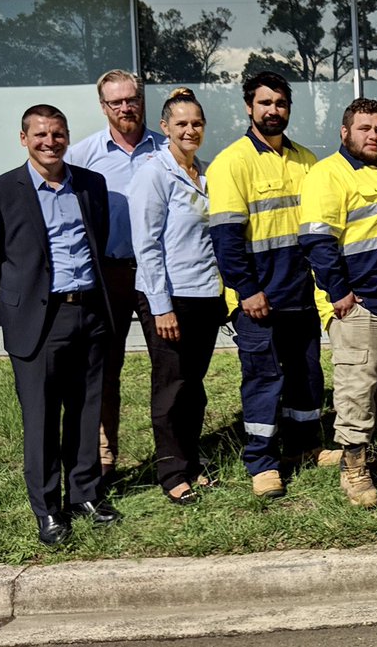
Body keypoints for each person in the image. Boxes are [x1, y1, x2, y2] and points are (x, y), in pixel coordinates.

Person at [0, 105, 121, 546]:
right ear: (24, 139)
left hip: (88, 312)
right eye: (40, 134)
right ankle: (48, 510)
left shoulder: (91, 185)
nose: (49, 141)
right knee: (40, 418)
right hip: (39, 319)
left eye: (57, 133)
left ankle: (86, 494)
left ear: (67, 136)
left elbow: (98, 242)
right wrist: (10, 312)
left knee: (85, 408)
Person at [208, 71, 332, 500]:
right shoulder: (232, 163)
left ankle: (305, 445)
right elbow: (225, 239)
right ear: (249, 107)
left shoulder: (307, 161)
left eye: (280, 103)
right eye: (265, 103)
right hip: (258, 298)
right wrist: (246, 291)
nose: (273, 111)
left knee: (305, 374)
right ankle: (262, 461)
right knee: (263, 379)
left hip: (301, 292)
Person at [300, 98, 377, 508]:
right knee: (356, 388)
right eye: (364, 128)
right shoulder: (326, 175)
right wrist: (339, 294)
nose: (373, 136)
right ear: (345, 132)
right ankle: (353, 470)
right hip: (356, 303)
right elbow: (317, 240)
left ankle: (366, 451)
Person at [128, 88, 225, 505]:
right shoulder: (153, 172)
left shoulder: (204, 172)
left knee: (195, 386)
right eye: (181, 124)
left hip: (205, 295)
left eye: (196, 123)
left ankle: (191, 461)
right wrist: (161, 305)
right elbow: (146, 246)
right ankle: (171, 472)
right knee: (171, 386)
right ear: (165, 128)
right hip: (170, 298)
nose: (190, 130)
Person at [67, 69, 164, 477]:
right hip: (108, 273)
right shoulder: (82, 155)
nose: (126, 107)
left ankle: (173, 455)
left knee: (169, 364)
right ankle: (105, 457)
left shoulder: (166, 149)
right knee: (104, 365)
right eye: (116, 102)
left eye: (132, 99)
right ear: (103, 106)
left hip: (158, 272)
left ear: (142, 100)